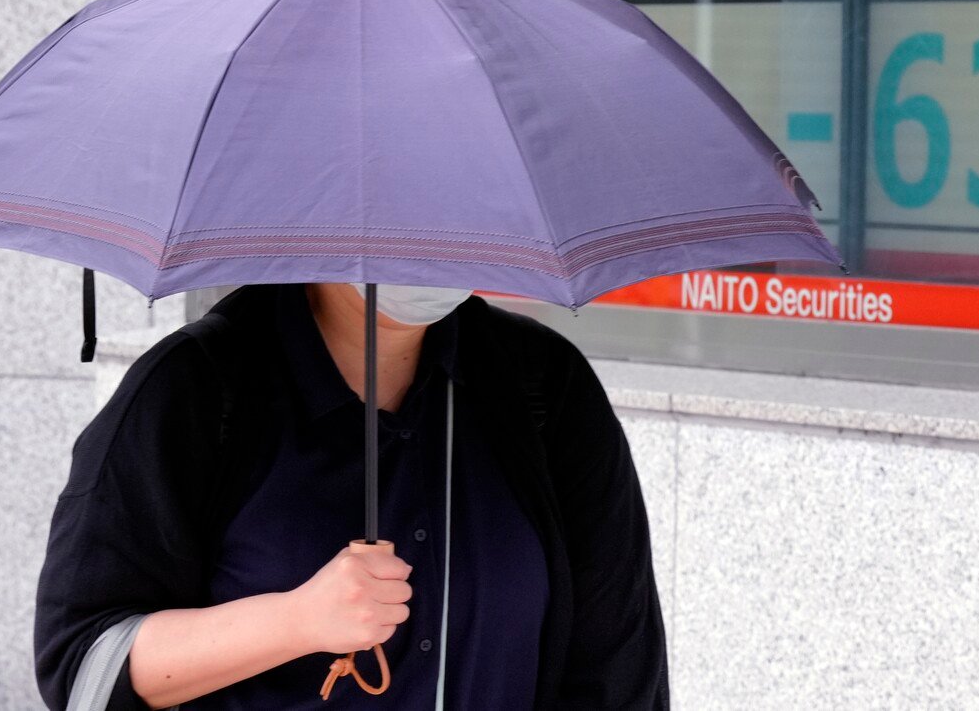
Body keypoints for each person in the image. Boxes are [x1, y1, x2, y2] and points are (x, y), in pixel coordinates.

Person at [33, 281, 670, 710]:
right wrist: (294, 621)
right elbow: (85, 657)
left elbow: (618, 670)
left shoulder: (543, 389)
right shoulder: (195, 392)